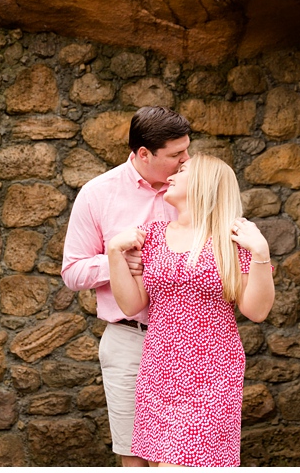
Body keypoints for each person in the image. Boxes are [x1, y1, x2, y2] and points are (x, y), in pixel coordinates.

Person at [105, 154, 277, 467]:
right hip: (159, 374)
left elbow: (257, 311)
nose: (171, 175)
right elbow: (132, 304)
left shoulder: (231, 238)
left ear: (204, 183)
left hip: (212, 375)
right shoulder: (153, 236)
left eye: (182, 171)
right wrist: (114, 252)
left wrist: (261, 252)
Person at [60, 107, 192, 467]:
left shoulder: (195, 189)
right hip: (129, 339)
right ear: (144, 154)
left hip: (189, 342)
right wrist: (116, 262)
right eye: (176, 154)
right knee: (134, 457)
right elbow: (72, 271)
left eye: (187, 150)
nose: (186, 159)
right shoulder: (97, 194)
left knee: (180, 457)